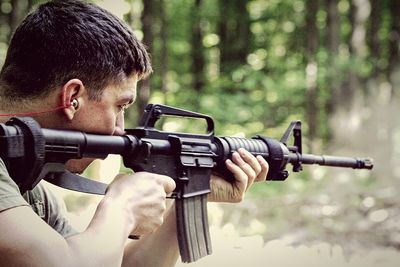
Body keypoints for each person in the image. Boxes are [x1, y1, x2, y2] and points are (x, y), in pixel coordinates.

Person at [0, 0, 269, 266]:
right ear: (73, 97)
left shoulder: (28, 190)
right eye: (120, 105)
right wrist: (122, 209)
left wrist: (192, 191)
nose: (119, 129)